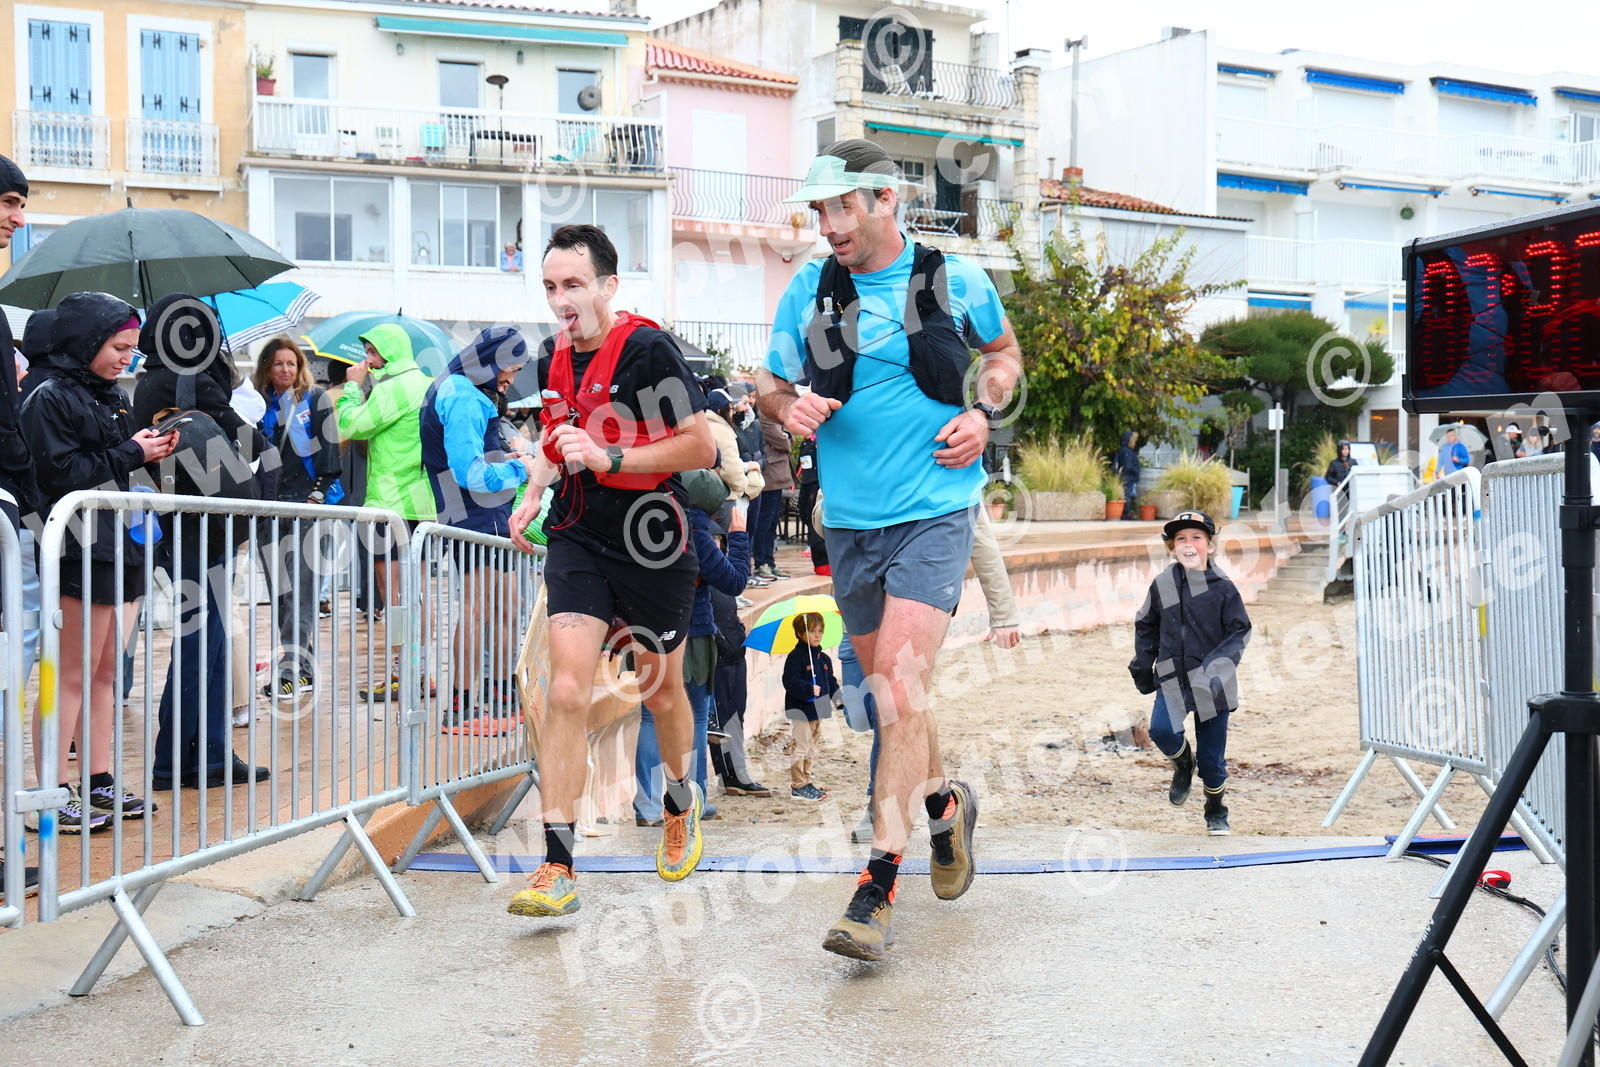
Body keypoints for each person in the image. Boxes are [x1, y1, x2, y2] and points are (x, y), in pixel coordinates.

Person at [757, 138, 1022, 961]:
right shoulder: (810, 289)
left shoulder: (953, 279)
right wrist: (786, 409)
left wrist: (983, 413)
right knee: (888, 699)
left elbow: (1004, 356)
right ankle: (945, 807)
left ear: (885, 200)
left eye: (842, 207)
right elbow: (766, 386)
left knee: (900, 688)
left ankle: (875, 888)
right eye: (819, 211)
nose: (829, 226)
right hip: (850, 520)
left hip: (936, 510)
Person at [504, 223, 715, 918]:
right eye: (550, 286)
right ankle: (557, 863)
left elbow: (701, 448)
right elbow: (555, 432)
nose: (560, 299)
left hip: (652, 538)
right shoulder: (553, 355)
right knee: (566, 688)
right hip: (579, 535)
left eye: (573, 284)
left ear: (608, 286)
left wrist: (611, 457)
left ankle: (680, 801)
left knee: (661, 690)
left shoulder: (649, 350)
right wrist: (534, 489)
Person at [22, 292, 178, 827]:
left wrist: (149, 450)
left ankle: (98, 779)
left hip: (120, 545)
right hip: (77, 548)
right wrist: (134, 451)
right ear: (86, 341)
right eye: (118, 347)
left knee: (107, 672)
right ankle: (50, 791)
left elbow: (113, 466)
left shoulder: (110, 396)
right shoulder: (49, 396)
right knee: (71, 672)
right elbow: (59, 474)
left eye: (131, 349)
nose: (126, 359)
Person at [131, 295, 271, 791]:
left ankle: (201, 753)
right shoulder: (185, 379)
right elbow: (251, 444)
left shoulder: (154, 378)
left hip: (187, 525)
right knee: (202, 643)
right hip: (202, 526)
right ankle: (182, 758)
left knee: (204, 640)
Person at [418, 326, 534, 729]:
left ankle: (498, 695)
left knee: (506, 607)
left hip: (483, 512)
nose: (511, 379)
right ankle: (461, 704)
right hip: (472, 512)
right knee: (478, 607)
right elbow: (470, 473)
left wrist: (510, 460)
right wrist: (523, 469)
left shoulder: (464, 387)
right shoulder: (463, 395)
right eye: (510, 369)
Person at [633, 469, 749, 824]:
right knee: (695, 715)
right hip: (693, 632)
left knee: (651, 716)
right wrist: (739, 537)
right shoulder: (697, 532)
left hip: (648, 631)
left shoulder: (648, 522)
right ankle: (691, 799)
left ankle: (648, 804)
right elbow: (734, 581)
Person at [1127, 510, 1252, 836]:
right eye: (1181, 538)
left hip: (1212, 685)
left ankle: (1216, 810)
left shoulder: (1222, 588)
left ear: (1210, 545)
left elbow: (1238, 632)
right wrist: (1143, 665)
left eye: (1197, 537)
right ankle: (1183, 764)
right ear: (1172, 547)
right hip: (1172, 676)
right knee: (1162, 731)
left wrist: (1214, 671)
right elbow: (1146, 625)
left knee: (1212, 761)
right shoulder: (1164, 584)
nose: (1188, 544)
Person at [335, 325, 436, 702]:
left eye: (373, 353)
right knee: (417, 593)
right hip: (422, 503)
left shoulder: (393, 388)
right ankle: (420, 671)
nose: (368, 361)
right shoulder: (427, 384)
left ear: (390, 352)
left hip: (389, 503)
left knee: (392, 594)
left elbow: (349, 425)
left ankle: (401, 674)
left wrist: (352, 388)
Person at [252, 337, 343, 699]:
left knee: (302, 595)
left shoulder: (315, 398)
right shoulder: (257, 404)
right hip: (269, 509)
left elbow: (331, 457)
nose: (286, 369)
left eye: (292, 363)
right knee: (281, 594)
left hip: (309, 507)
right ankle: (301, 669)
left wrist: (315, 496)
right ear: (266, 367)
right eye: (278, 363)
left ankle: (292, 670)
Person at [707, 573, 771, 798]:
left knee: (736, 717)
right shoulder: (702, 579)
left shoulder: (724, 579)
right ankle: (727, 776)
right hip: (719, 660)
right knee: (721, 720)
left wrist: (739, 636)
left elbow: (731, 615)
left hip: (735, 656)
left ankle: (739, 773)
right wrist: (722, 643)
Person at [783, 613, 839, 801]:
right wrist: (807, 689)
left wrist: (837, 698)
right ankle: (798, 784)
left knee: (811, 747)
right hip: (801, 710)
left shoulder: (823, 659)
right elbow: (789, 681)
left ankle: (807, 780)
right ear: (800, 633)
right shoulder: (796, 657)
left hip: (819, 709)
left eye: (820, 631)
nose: (817, 635)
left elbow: (830, 681)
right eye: (812, 631)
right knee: (800, 746)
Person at [753, 410, 792, 580]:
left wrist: (786, 437)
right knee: (764, 521)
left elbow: (788, 435)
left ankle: (769, 561)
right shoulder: (765, 416)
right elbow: (782, 440)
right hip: (769, 475)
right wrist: (785, 439)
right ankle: (761, 562)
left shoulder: (775, 415)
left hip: (778, 476)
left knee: (773, 520)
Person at [1112, 431, 1141, 520]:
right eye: (1133, 440)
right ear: (1128, 440)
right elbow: (1129, 465)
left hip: (1125, 477)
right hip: (1128, 477)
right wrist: (1136, 471)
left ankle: (1126, 514)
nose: (1134, 442)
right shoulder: (1127, 452)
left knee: (1127, 495)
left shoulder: (1123, 450)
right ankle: (1126, 514)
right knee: (1128, 495)